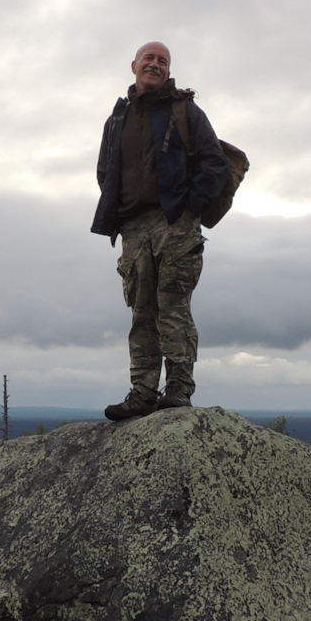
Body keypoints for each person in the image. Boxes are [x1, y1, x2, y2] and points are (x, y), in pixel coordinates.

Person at [91, 41, 232, 420]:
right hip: (134, 227)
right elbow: (105, 170)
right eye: (149, 59)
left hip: (176, 224)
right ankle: (142, 392)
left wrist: (189, 207)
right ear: (134, 65)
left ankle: (179, 391)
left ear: (168, 72)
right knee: (142, 312)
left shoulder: (185, 110)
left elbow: (214, 164)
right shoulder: (117, 118)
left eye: (162, 61)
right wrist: (119, 213)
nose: (155, 64)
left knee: (173, 308)